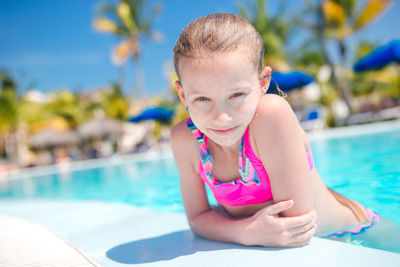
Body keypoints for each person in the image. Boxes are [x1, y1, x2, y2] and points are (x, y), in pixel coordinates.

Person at [170, 13, 400, 251]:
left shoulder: (270, 115)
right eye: (202, 99)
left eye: (236, 95)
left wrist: (232, 228)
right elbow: (197, 219)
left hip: (358, 232)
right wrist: (246, 233)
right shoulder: (184, 140)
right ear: (183, 95)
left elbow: (295, 228)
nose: (222, 117)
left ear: (263, 83)